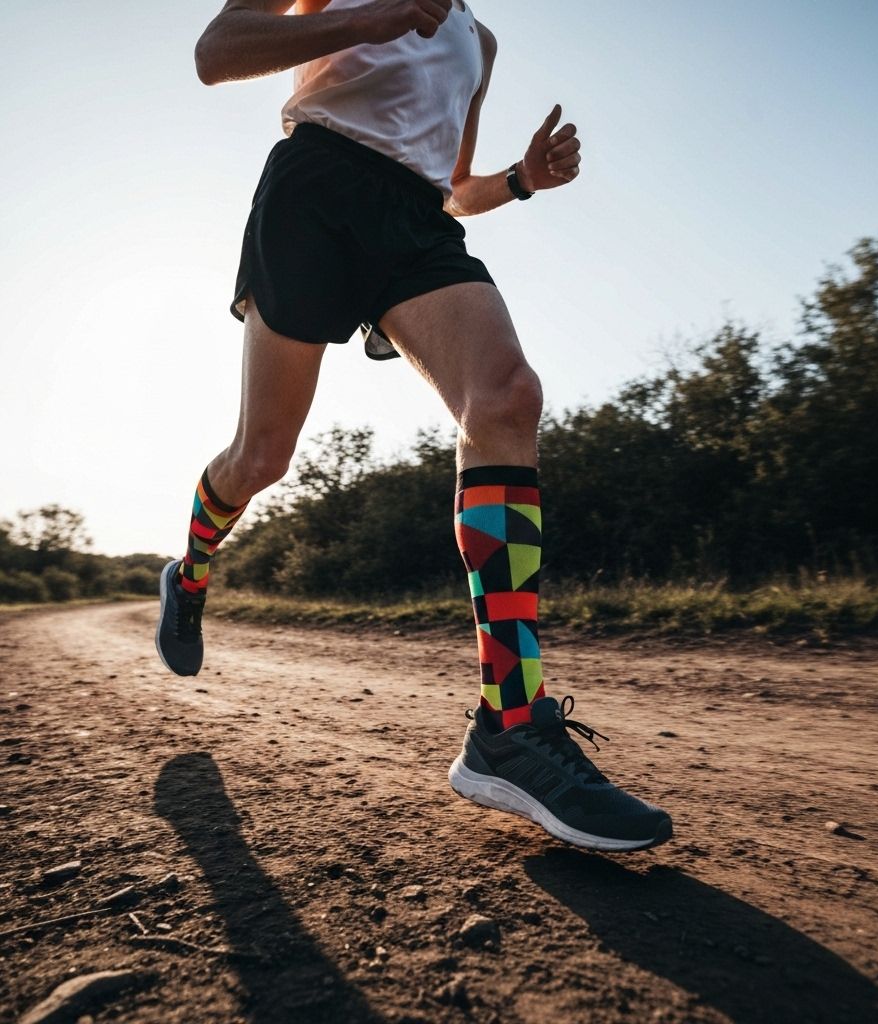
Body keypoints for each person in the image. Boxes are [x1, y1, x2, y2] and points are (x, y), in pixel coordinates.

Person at [156, 0, 672, 852]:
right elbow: (218, 52)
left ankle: (509, 724)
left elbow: (453, 186)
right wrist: (370, 19)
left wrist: (520, 180)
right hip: (315, 187)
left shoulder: (480, 38)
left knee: (506, 398)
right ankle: (192, 569)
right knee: (263, 457)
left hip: (415, 225)